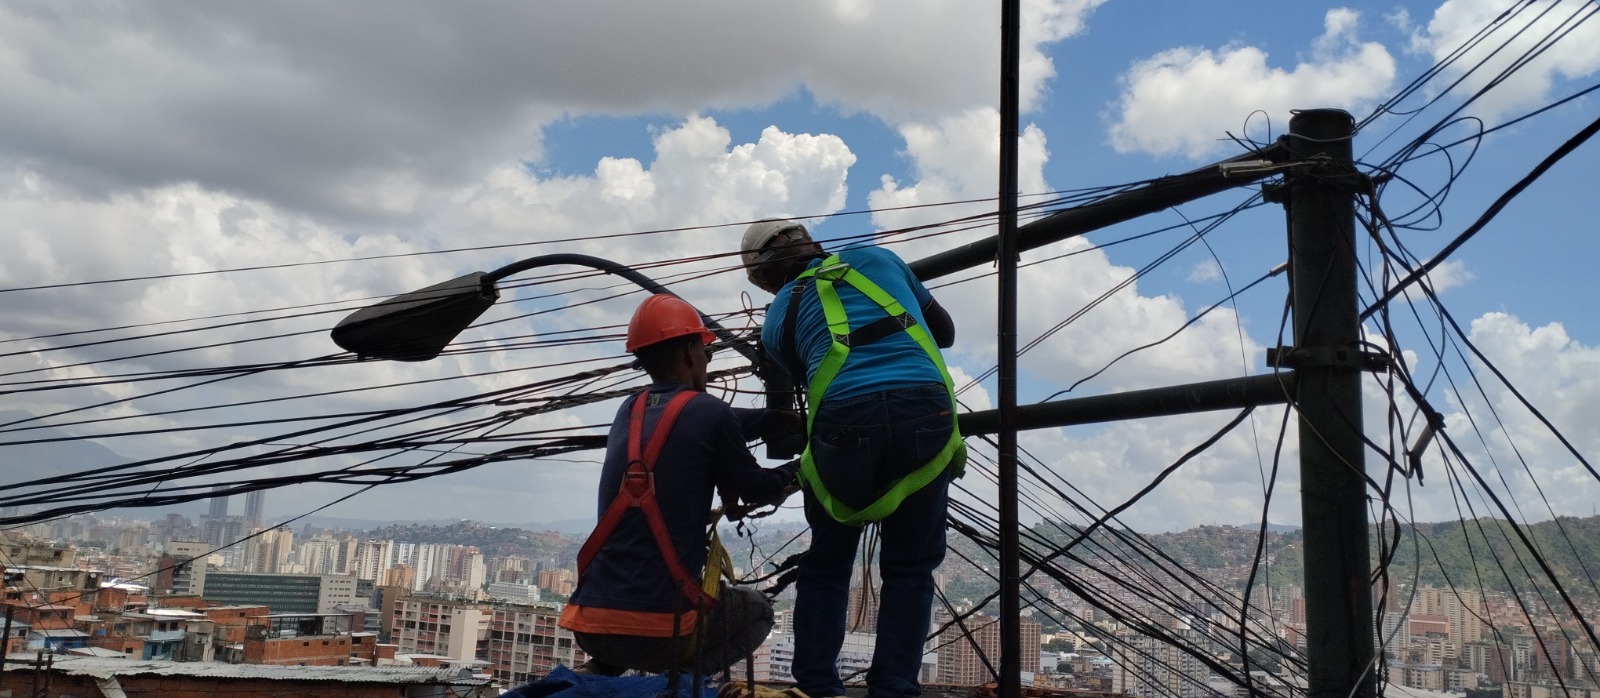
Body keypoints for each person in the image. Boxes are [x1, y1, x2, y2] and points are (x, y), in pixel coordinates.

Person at [742, 218, 963, 698]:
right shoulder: (879, 258)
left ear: (768, 279)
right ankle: (894, 687)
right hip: (926, 409)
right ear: (810, 243)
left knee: (827, 564)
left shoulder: (780, 312)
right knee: (910, 567)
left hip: (845, 421)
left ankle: (819, 687)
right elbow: (943, 332)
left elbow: (804, 374)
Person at [558, 293, 801, 677]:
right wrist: (805, 467)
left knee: (632, 615)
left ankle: (604, 671)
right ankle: (679, 685)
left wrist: (775, 419)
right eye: (705, 354)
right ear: (690, 353)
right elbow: (758, 486)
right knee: (758, 610)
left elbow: (710, 421)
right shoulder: (711, 414)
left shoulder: (630, 409)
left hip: (591, 628)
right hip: (660, 637)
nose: (705, 362)